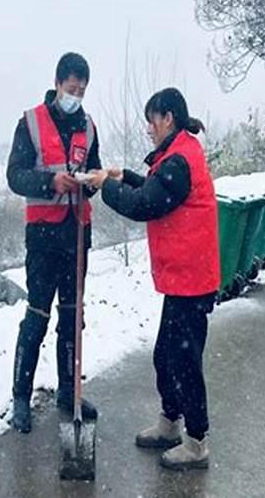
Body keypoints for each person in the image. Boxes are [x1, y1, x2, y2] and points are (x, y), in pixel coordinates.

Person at [87, 87, 220, 470]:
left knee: (184, 360)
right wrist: (121, 176)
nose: (148, 128)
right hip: (183, 277)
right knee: (167, 355)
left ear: (168, 119)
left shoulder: (180, 159)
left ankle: (196, 442)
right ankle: (170, 423)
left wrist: (106, 186)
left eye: (152, 120)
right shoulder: (176, 155)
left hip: (191, 279)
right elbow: (152, 187)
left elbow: (146, 203)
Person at [6, 52, 102, 433]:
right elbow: (15, 176)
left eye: (81, 90)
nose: (75, 95)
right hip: (43, 235)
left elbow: (95, 169)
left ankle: (68, 391)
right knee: (39, 314)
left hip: (77, 232)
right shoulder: (30, 122)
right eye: (70, 88)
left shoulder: (89, 126)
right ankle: (20, 395)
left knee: (72, 316)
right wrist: (51, 182)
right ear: (57, 83)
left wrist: (91, 181)